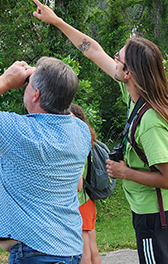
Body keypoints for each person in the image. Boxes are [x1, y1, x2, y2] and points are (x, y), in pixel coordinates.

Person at [30, 0, 168, 264]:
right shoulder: (135, 97)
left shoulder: (151, 121)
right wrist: (56, 21)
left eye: (118, 58)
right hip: (148, 211)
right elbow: (92, 50)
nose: (113, 59)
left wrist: (125, 172)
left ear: (129, 73)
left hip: (154, 214)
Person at [0, 57, 91, 263]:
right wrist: (50, 78)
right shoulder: (80, 131)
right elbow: (59, 104)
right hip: (69, 249)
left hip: (35, 253)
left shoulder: (20, 133)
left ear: (36, 94)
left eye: (28, 85)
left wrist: (7, 80)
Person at [71, 104, 102, 264]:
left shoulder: (75, 143)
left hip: (80, 201)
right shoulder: (87, 140)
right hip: (88, 201)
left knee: (84, 253)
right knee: (92, 247)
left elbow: (78, 183)